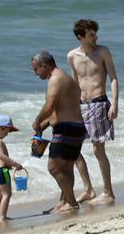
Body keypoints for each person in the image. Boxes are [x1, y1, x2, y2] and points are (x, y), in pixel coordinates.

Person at [29, 50, 86, 214]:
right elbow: (63, 107)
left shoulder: (55, 79)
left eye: (36, 70)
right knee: (66, 168)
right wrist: (46, 123)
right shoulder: (67, 78)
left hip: (66, 129)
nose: (36, 74)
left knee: (54, 167)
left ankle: (72, 202)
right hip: (77, 127)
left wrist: (38, 120)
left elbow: (50, 105)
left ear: (44, 65)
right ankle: (64, 201)